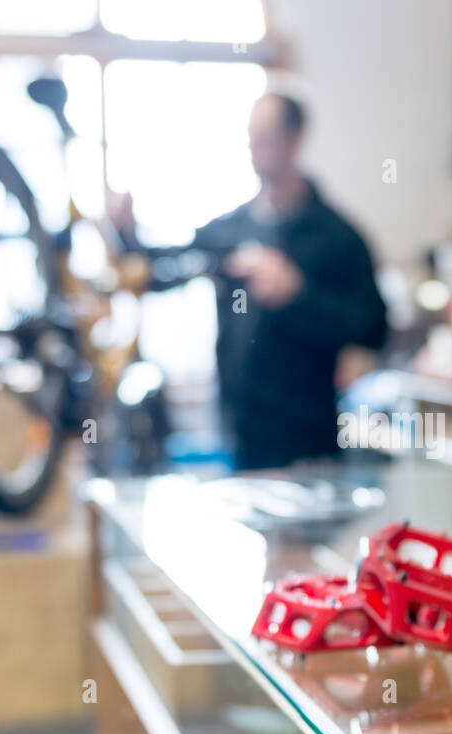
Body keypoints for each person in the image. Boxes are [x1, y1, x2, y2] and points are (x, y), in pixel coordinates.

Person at [110, 92, 388, 470]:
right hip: (241, 437)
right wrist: (126, 233)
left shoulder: (337, 238)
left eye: (266, 138)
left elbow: (375, 329)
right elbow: (160, 272)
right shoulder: (229, 232)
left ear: (296, 139)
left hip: (309, 443)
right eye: (251, 137)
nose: (254, 148)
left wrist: (297, 294)